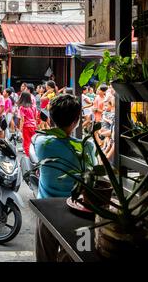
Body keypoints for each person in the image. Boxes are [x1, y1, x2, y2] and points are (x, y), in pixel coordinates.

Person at [34, 94, 96, 262]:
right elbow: (92, 178)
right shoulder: (86, 147)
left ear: (51, 117)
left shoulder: (41, 142)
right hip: (78, 214)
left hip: (46, 210)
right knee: (76, 256)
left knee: (45, 257)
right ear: (76, 120)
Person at [18, 92, 37, 156]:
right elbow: (35, 116)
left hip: (26, 126)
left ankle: (28, 158)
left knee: (27, 142)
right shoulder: (32, 107)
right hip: (33, 125)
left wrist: (20, 129)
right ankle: (34, 157)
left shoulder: (22, 107)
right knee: (33, 142)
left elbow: (22, 119)